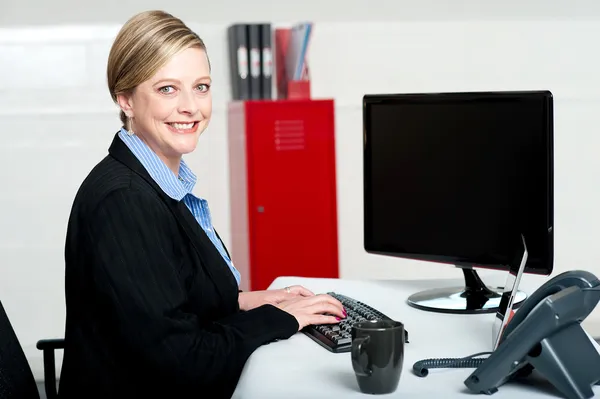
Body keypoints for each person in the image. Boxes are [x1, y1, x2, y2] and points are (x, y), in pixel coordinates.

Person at [58, 10, 346, 399]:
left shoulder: (159, 184)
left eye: (202, 86)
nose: (191, 107)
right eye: (167, 89)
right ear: (125, 99)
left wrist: (244, 301)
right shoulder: (124, 201)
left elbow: (169, 302)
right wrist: (277, 319)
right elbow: (181, 360)